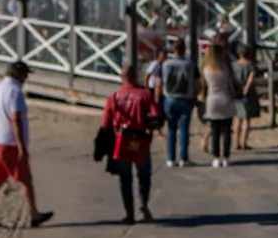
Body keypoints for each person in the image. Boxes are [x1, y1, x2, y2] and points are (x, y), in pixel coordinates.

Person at [0, 61, 54, 230]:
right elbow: (16, 119)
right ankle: (34, 214)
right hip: (9, 142)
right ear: (18, 74)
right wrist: (22, 147)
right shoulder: (15, 91)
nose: (26, 78)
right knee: (25, 180)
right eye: (25, 74)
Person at [101, 62, 160, 224]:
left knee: (125, 179)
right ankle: (143, 204)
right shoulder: (145, 95)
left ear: (122, 78)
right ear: (136, 76)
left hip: (121, 141)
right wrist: (150, 129)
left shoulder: (113, 97)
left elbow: (105, 124)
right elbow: (156, 117)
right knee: (144, 176)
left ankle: (129, 214)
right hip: (140, 140)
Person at [199, 36, 237, 167]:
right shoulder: (225, 67)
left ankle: (216, 157)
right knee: (227, 131)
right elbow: (232, 81)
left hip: (212, 100)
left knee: (215, 131)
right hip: (226, 98)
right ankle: (226, 157)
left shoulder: (207, 70)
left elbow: (203, 86)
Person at [160, 38, 197, 167]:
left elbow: (160, 82)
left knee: (171, 129)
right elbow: (196, 82)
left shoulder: (166, 64)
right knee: (184, 130)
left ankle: (170, 158)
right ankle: (183, 158)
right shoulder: (190, 64)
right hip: (185, 97)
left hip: (170, 97)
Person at [232, 44, 259, 150]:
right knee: (246, 120)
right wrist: (246, 89)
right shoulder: (251, 65)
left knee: (237, 119)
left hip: (236, 92)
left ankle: (235, 142)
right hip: (248, 94)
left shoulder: (234, 65)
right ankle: (244, 142)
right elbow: (251, 79)